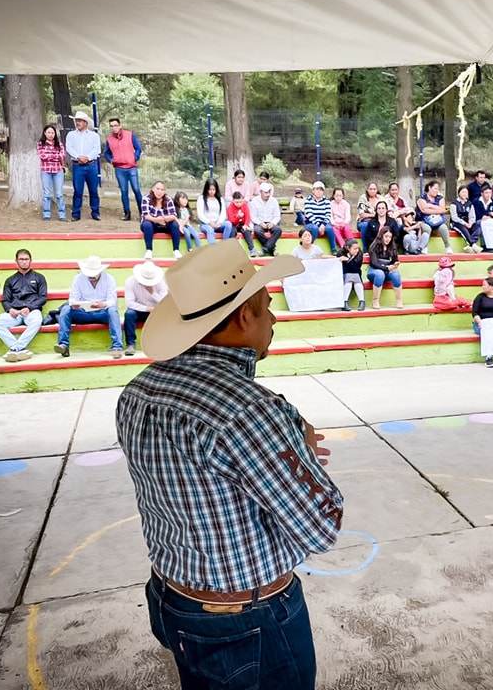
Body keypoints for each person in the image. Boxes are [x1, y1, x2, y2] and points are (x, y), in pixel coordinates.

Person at [115, 242, 343, 690]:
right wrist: (300, 455)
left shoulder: (139, 390)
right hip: (247, 618)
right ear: (244, 318)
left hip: (173, 596)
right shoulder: (250, 410)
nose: (274, 320)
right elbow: (323, 526)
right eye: (268, 308)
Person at [54, 255, 124, 359]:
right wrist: (75, 304)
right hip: (83, 312)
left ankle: (117, 346)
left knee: (113, 311)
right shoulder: (78, 279)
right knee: (65, 309)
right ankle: (64, 345)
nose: (91, 276)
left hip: (102, 312)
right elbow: (73, 298)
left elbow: (112, 300)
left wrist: (103, 304)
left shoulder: (109, 279)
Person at [0, 248, 48, 362]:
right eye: (21, 259)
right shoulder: (10, 280)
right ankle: (18, 348)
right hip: (15, 313)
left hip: (32, 311)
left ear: (31, 260)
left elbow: (43, 297)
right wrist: (10, 309)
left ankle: (15, 349)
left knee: (36, 321)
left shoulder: (39, 278)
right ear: (16, 261)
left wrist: (30, 307)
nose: (24, 262)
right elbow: (5, 300)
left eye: (26, 259)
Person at [123, 261, 168, 355]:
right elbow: (129, 303)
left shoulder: (160, 283)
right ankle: (130, 344)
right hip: (138, 310)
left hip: (156, 311)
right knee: (129, 314)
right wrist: (147, 308)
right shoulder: (130, 281)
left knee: (166, 316)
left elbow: (165, 303)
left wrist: (153, 293)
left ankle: (160, 343)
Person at [104, 117, 143, 221]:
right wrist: (111, 160)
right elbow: (106, 153)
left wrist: (135, 157)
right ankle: (127, 213)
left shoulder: (130, 135)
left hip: (131, 167)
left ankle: (142, 212)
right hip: (119, 168)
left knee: (136, 189)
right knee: (124, 191)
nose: (114, 128)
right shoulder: (109, 139)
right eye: (111, 126)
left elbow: (138, 148)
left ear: (120, 125)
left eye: (115, 125)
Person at [65, 111, 101, 221]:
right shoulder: (71, 135)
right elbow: (69, 148)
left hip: (91, 165)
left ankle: (95, 212)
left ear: (85, 122)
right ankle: (76, 213)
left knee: (93, 191)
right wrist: (79, 156)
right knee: (78, 191)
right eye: (76, 121)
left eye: (79, 121)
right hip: (78, 165)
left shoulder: (94, 136)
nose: (77, 123)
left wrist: (87, 157)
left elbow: (97, 149)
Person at [141, 181, 183, 260]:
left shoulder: (168, 200)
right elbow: (146, 215)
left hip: (164, 223)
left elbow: (173, 215)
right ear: (153, 189)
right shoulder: (146, 199)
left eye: (162, 190)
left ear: (164, 191)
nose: (159, 192)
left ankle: (176, 250)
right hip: (152, 223)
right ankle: (149, 250)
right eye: (157, 189)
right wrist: (156, 220)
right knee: (147, 224)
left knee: (174, 224)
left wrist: (167, 218)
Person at [36, 124, 67, 221]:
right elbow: (43, 156)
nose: (50, 134)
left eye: (52, 132)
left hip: (58, 171)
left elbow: (62, 156)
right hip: (45, 171)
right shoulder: (40, 144)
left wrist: (51, 156)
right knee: (47, 194)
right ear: (45, 133)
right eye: (48, 132)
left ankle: (62, 215)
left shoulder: (59, 144)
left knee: (59, 194)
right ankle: (46, 214)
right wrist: (54, 155)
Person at [367, 227, 402, 309]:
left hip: (387, 270)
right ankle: (375, 300)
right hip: (374, 271)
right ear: (381, 236)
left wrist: (395, 264)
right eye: (386, 236)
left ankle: (399, 300)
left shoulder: (392, 247)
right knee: (380, 274)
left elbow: (395, 260)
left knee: (396, 275)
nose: (388, 239)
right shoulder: (374, 246)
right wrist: (387, 268)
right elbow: (374, 263)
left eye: (390, 237)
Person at [415, 180, 454, 254]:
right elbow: (424, 210)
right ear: (429, 188)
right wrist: (437, 209)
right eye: (435, 188)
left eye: (438, 189)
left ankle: (448, 246)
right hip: (424, 220)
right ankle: (424, 246)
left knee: (444, 228)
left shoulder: (440, 198)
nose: (437, 191)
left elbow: (443, 210)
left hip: (438, 221)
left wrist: (429, 206)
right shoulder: (422, 198)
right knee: (427, 228)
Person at [195, 179, 234, 244]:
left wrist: (219, 223)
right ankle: (213, 250)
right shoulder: (201, 198)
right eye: (210, 189)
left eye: (213, 189)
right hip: (206, 224)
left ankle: (224, 245)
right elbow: (200, 214)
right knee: (210, 230)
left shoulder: (220, 199)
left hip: (218, 223)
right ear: (206, 189)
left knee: (228, 224)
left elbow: (223, 213)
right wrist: (210, 222)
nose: (211, 191)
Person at [304, 181, 336, 254]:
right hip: (310, 223)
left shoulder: (326, 201)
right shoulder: (308, 200)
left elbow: (328, 214)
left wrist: (323, 225)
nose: (319, 191)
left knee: (330, 229)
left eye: (321, 189)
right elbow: (309, 214)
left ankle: (333, 249)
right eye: (317, 189)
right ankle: (309, 248)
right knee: (314, 228)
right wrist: (319, 225)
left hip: (323, 223)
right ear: (313, 190)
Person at [250, 182, 282, 256]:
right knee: (257, 230)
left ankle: (265, 249)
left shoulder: (274, 201)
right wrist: (260, 223)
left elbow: (277, 216)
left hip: (271, 222)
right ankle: (272, 249)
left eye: (269, 192)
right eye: (265, 192)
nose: (268, 194)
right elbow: (253, 216)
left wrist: (273, 223)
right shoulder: (254, 201)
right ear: (260, 192)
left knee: (278, 230)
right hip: (260, 222)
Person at [450, 185, 482, 252]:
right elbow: (454, 217)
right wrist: (464, 223)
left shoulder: (470, 204)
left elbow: (472, 216)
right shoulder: (454, 204)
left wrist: (470, 223)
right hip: (457, 223)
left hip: (468, 222)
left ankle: (470, 245)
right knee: (463, 229)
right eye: (463, 192)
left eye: (466, 192)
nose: (464, 194)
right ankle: (473, 244)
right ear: (459, 193)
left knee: (477, 227)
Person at [339, 238, 365, 310]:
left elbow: (356, 268)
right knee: (350, 277)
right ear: (348, 248)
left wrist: (348, 260)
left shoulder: (359, 254)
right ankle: (345, 302)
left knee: (353, 276)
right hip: (344, 276)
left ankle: (361, 301)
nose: (357, 250)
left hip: (356, 276)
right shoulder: (341, 253)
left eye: (357, 248)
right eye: (354, 249)